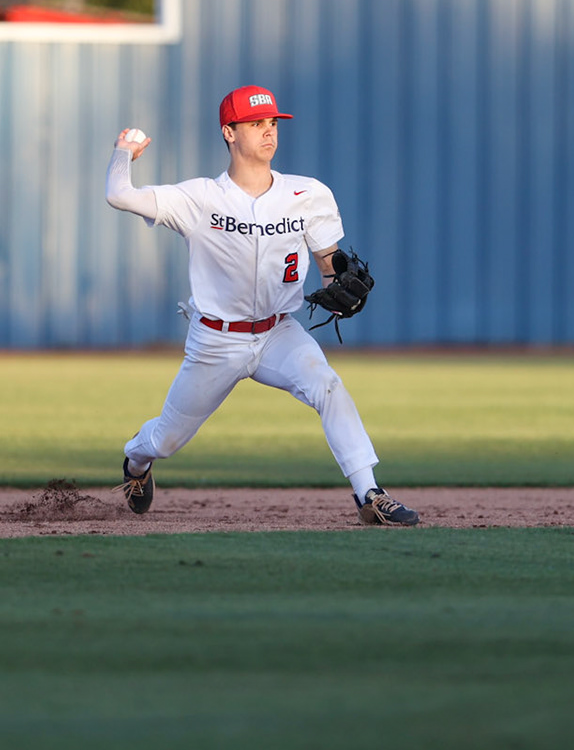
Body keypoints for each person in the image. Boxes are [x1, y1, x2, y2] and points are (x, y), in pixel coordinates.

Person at [103, 85, 421, 526]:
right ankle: (135, 463)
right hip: (216, 340)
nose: (269, 132)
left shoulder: (307, 194)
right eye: (256, 124)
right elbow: (118, 194)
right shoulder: (199, 199)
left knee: (327, 386)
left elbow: (329, 265)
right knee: (166, 439)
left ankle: (369, 493)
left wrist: (338, 281)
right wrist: (123, 153)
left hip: (278, 333)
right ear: (229, 133)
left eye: (272, 123)